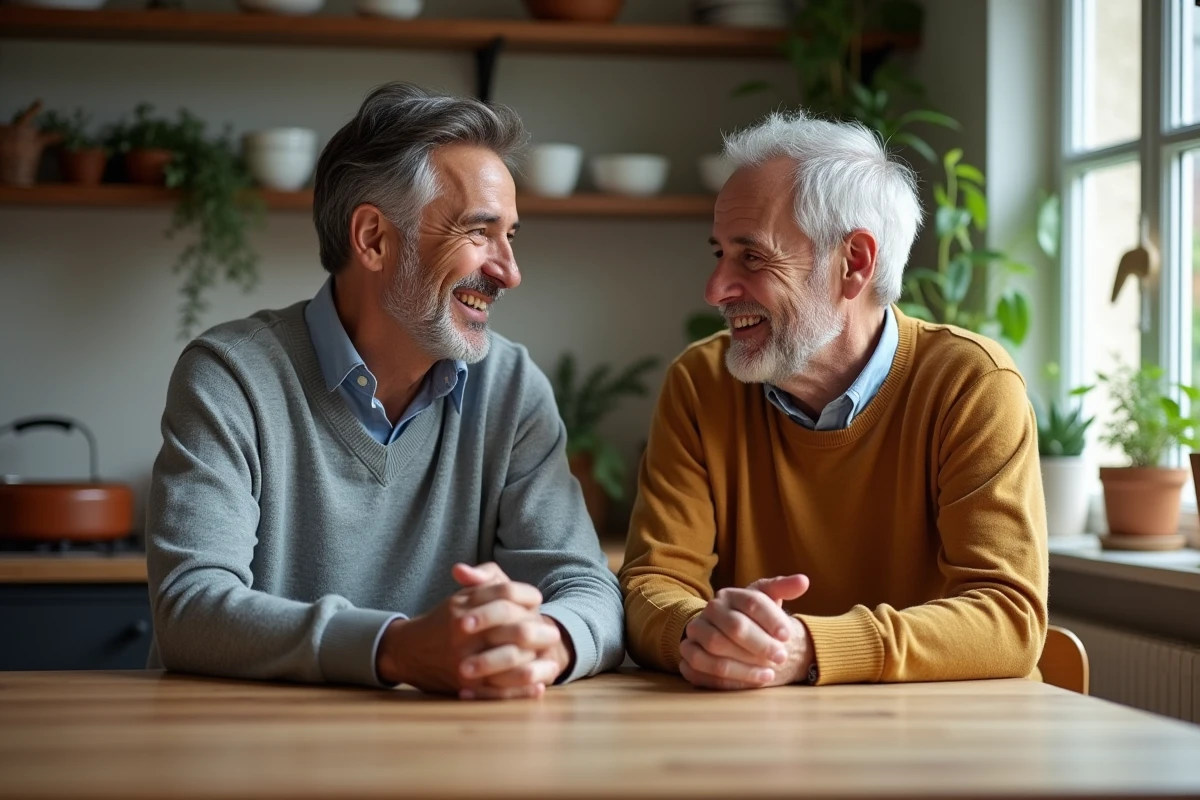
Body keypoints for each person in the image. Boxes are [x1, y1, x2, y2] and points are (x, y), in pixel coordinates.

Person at [146, 83, 624, 700]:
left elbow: (588, 589)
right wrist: (396, 650)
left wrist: (551, 641)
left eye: (512, 236)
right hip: (250, 749)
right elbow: (191, 609)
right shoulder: (231, 375)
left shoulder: (511, 387)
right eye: (480, 232)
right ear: (372, 238)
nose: (509, 271)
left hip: (446, 752)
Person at [619, 111, 1048, 690]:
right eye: (719, 253)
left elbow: (1008, 618)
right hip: (752, 738)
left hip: (939, 741)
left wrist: (810, 648)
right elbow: (652, 583)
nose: (716, 289)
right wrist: (701, 632)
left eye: (752, 256)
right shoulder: (700, 382)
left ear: (854, 263)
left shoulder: (970, 384)